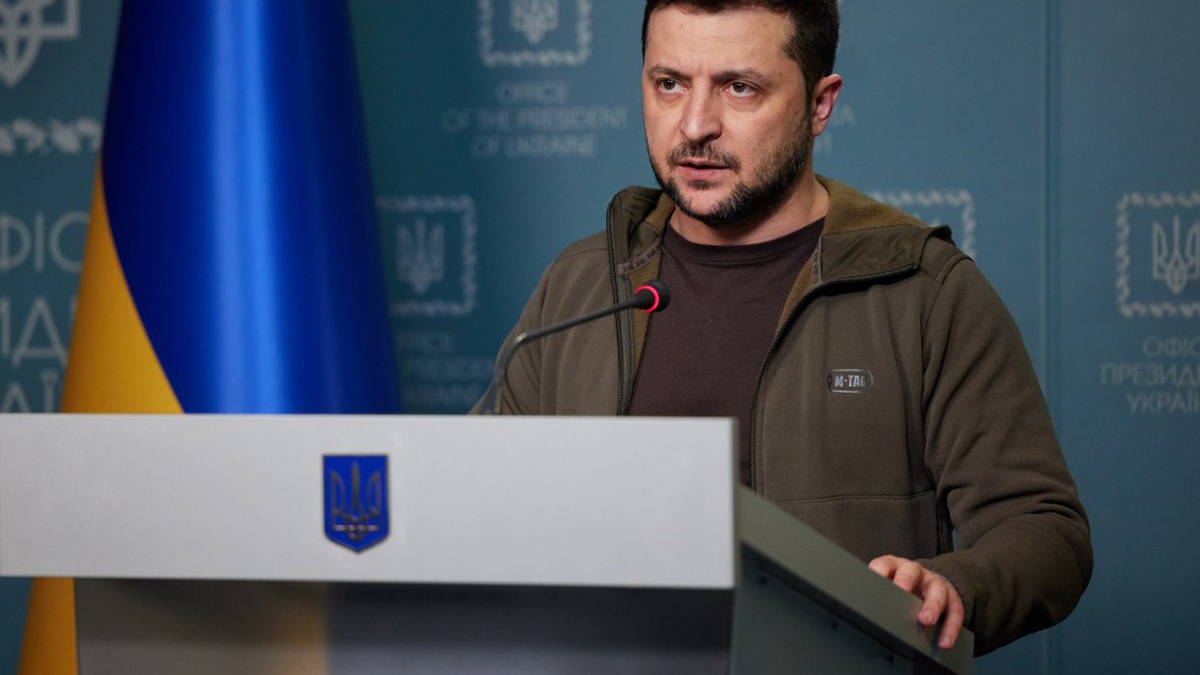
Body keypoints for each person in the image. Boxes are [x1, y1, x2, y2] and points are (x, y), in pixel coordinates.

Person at [479, 0, 1092, 656]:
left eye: (739, 88)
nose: (695, 125)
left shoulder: (924, 290)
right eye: (670, 84)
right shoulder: (580, 285)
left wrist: (953, 585)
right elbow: (476, 507)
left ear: (820, 105)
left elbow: (1046, 532)